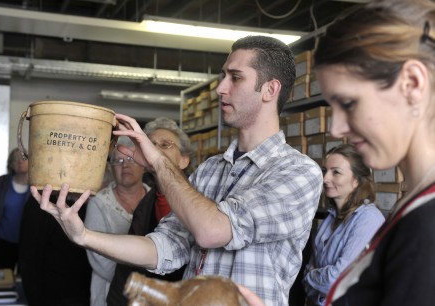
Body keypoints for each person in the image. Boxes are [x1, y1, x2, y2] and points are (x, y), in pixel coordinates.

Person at [31, 35, 324, 306]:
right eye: (223, 76)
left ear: (270, 89)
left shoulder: (298, 172)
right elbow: (164, 248)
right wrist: (83, 236)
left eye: (235, 78)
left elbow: (213, 230)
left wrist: (158, 162)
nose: (221, 88)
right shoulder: (210, 171)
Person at [311, 0, 435, 304]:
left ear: (412, 83)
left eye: (349, 103)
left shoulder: (427, 226)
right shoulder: (415, 207)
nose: (336, 128)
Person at [106, 117, 192, 306]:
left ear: (184, 160)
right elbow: (127, 271)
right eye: (151, 144)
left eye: (165, 144)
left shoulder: (199, 201)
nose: (156, 151)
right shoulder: (145, 205)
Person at [303, 144, 384, 305]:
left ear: (356, 181)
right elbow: (309, 273)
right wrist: (315, 278)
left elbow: (338, 280)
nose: (325, 179)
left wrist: (312, 276)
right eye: (325, 170)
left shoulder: (368, 219)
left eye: (336, 172)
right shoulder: (331, 217)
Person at [85, 137, 149, 306]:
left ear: (143, 165)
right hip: (109, 294)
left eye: (130, 159)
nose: (125, 165)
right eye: (117, 160)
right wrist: (142, 283)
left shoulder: (154, 199)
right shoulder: (99, 203)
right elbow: (99, 258)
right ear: (110, 168)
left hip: (151, 296)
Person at [18, 194, 92, 306]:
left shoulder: (91, 202)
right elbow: (29, 260)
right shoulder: (42, 202)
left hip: (84, 293)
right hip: (53, 295)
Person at [0, 148, 29, 272]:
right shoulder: (3, 181)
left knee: (25, 282)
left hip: (27, 243)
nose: (19, 162)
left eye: (23, 158)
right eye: (15, 160)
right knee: (2, 279)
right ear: (10, 164)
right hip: (3, 241)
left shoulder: (37, 185)